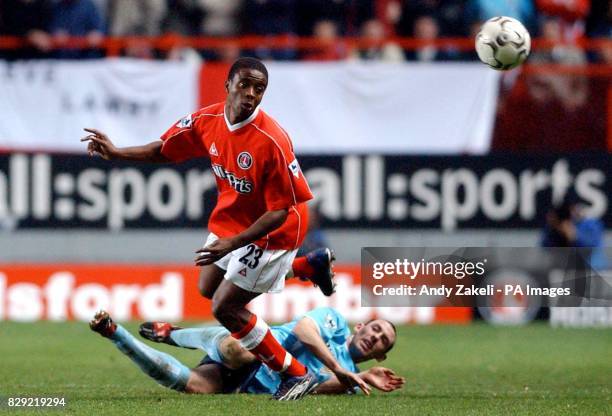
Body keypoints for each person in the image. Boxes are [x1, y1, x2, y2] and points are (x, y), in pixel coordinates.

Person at [81, 57, 339, 400]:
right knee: (207, 285)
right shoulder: (207, 120)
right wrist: (117, 153)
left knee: (225, 308)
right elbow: (165, 150)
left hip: (274, 231)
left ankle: (295, 373)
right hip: (234, 219)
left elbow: (279, 211)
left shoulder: (272, 140)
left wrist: (233, 243)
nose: (250, 94)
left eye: (259, 89)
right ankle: (309, 265)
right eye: (244, 84)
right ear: (227, 85)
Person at [89, 307, 404, 397]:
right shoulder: (334, 323)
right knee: (242, 349)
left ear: (381, 357)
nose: (375, 338)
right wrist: (339, 367)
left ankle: (115, 334)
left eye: (382, 342)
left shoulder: (351, 381)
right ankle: (175, 334)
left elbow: (315, 387)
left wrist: (358, 377)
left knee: (193, 386)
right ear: (361, 325)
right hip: (253, 348)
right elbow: (302, 330)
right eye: (375, 329)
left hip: (248, 384)